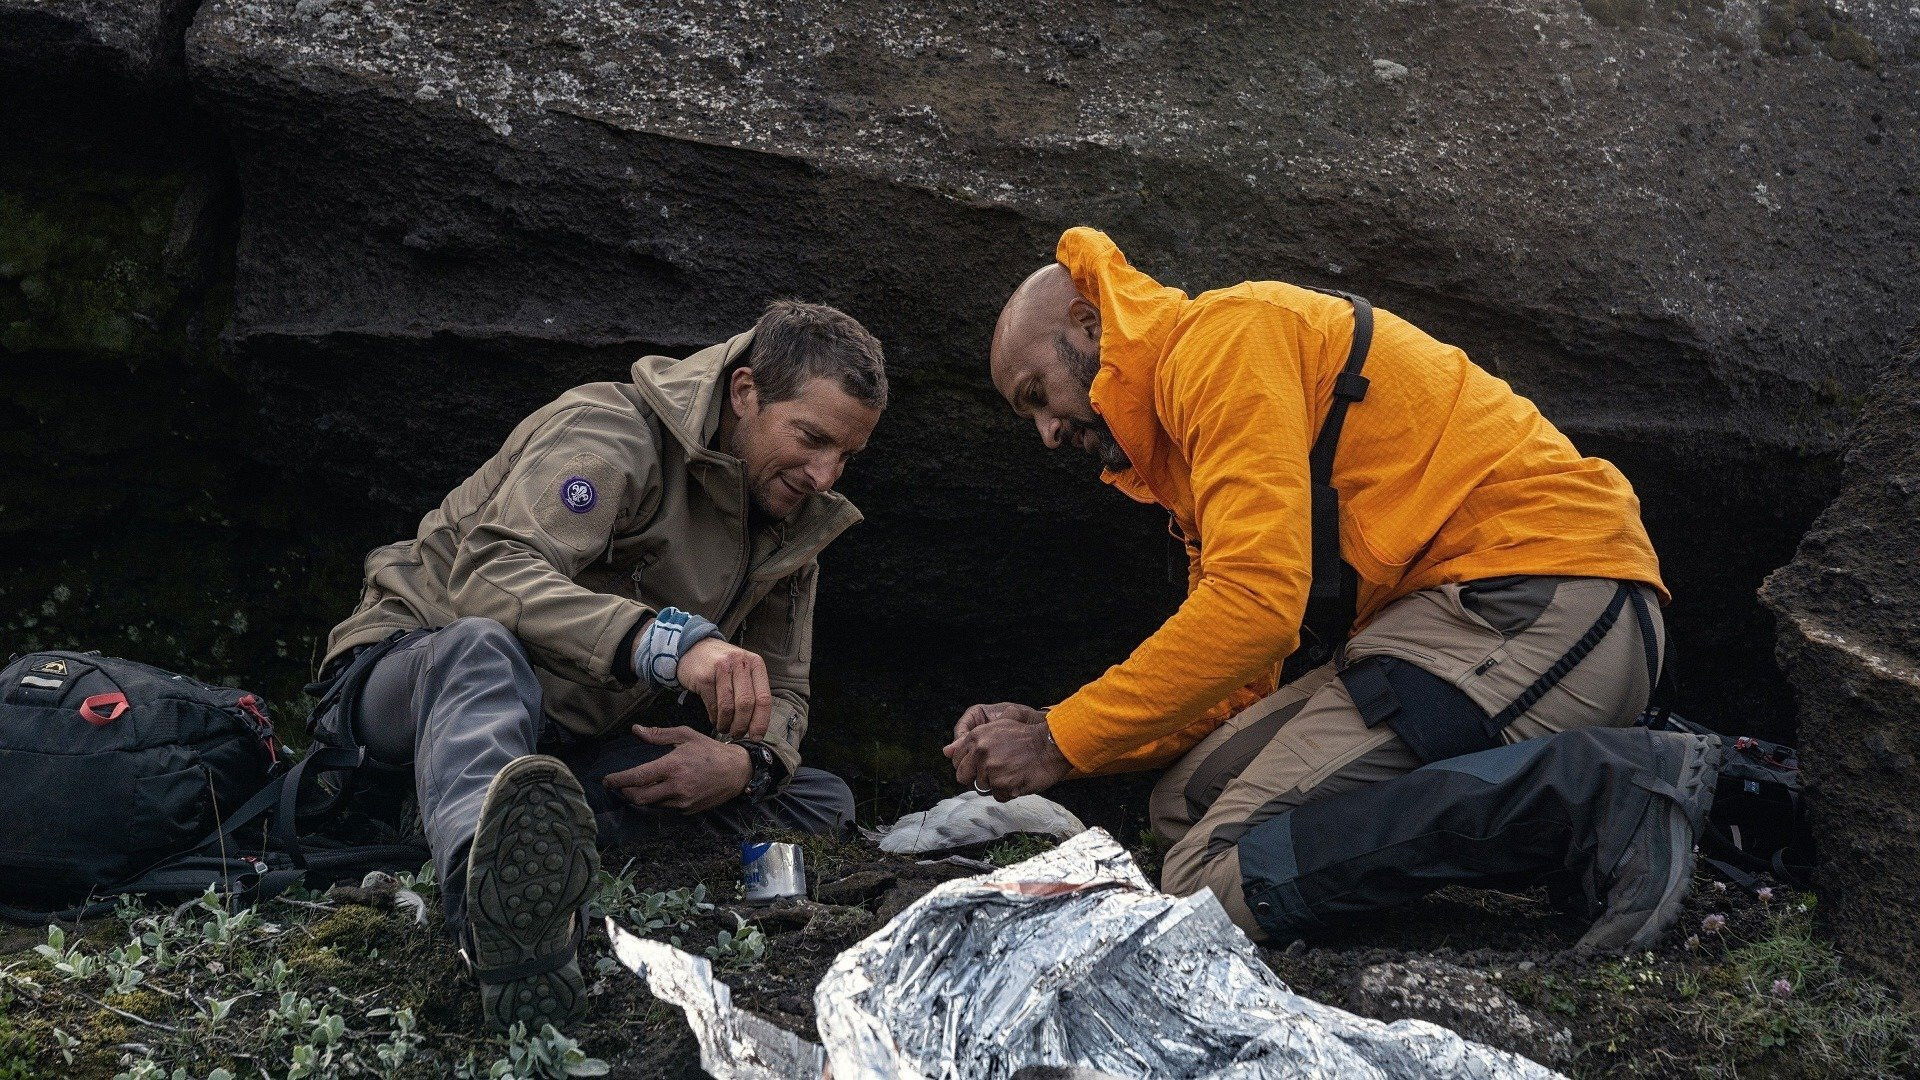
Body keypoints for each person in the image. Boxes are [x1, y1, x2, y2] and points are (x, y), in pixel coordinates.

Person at [948, 227, 1694, 948]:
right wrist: (1065, 732)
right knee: (1183, 805)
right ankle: (1559, 822)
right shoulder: (1183, 440)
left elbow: (1256, 607)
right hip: (1439, 621)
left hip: (1549, 595)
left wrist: (1056, 740)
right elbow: (1239, 676)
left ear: (1086, 325)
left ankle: (1606, 793)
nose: (1046, 432)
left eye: (1037, 394)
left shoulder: (1221, 345)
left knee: (1205, 881)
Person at [312, 300, 885, 1029]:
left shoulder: (793, 518)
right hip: (410, 680)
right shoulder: (613, 430)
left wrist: (743, 762)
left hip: (557, 738)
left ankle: (523, 835)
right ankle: (487, 908)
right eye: (811, 438)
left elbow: (787, 689)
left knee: (817, 798)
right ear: (746, 393)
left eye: (847, 457)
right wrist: (668, 644)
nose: (825, 474)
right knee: (481, 649)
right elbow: (487, 577)